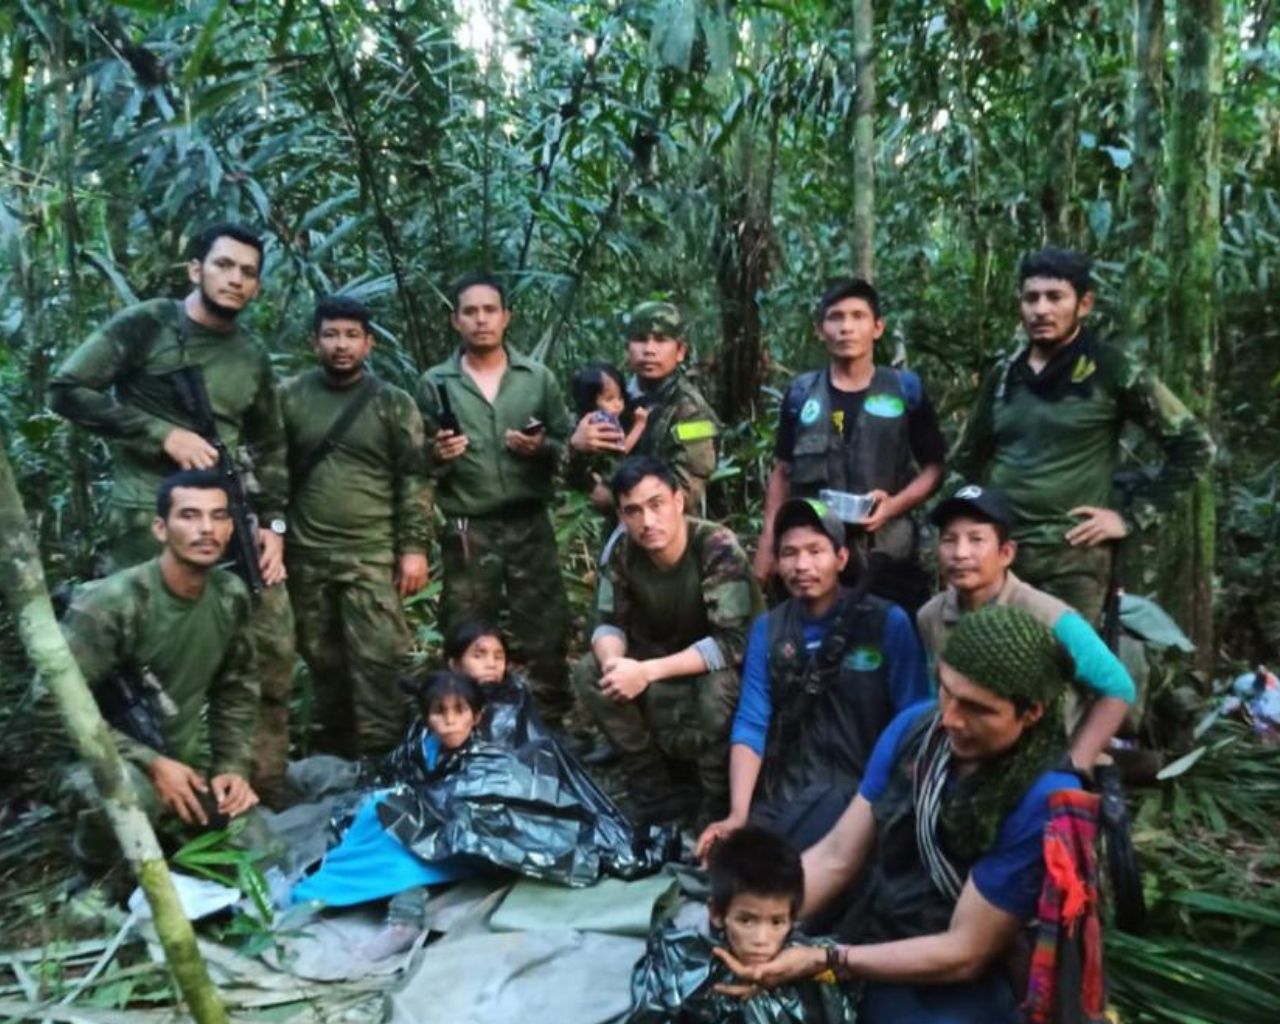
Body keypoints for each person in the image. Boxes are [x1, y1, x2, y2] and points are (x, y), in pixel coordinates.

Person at [715, 606, 1082, 1024]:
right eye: (946, 691)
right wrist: (750, 919)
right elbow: (837, 855)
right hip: (883, 927)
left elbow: (965, 952)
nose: (950, 718)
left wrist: (827, 959)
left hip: (963, 973)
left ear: (1031, 713)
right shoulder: (914, 730)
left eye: (976, 708)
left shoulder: (1044, 799)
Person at [49, 222, 297, 806]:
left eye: (248, 273)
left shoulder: (250, 356)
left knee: (268, 646)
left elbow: (271, 447)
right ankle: (143, 790)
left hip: (230, 518)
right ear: (195, 269)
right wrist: (161, 434)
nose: (235, 279)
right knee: (142, 661)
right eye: (224, 265)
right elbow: (68, 389)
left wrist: (274, 527)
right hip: (148, 519)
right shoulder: (149, 326)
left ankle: (252, 787)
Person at [951, 247, 1214, 624]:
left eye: (1055, 297)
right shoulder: (1004, 375)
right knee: (989, 654)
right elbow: (964, 462)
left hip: (1073, 560)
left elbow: (1195, 448)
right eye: (1031, 298)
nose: (1041, 309)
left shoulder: (1112, 369)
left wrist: (1130, 518)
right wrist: (964, 534)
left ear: (1084, 304)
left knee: (1066, 657)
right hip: (1001, 557)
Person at [697, 497, 930, 856]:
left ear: (841, 558)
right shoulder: (768, 629)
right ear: (777, 562)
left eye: (815, 551)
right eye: (789, 553)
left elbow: (914, 720)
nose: (802, 565)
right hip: (788, 793)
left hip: (864, 795)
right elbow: (752, 722)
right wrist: (738, 814)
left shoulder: (887, 622)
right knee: (732, 862)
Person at [59, 471, 260, 869]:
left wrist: (231, 768)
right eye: (189, 515)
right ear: (160, 528)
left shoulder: (230, 594)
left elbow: (237, 687)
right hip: (93, 758)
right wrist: (150, 763)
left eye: (218, 516)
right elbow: (52, 708)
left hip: (180, 761)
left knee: (261, 851)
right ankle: (96, 873)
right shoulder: (112, 604)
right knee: (131, 798)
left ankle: (170, 837)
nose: (206, 529)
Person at [415, 272, 575, 729]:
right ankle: (469, 723)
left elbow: (569, 444)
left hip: (529, 521)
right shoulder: (436, 383)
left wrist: (540, 448)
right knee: (466, 625)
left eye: (490, 310)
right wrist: (437, 453)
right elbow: (415, 457)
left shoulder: (536, 379)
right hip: (469, 526)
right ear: (456, 321)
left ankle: (548, 725)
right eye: (470, 312)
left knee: (545, 623)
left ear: (507, 317)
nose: (481, 320)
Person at [572, 456, 760, 826]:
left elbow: (732, 642)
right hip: (658, 657)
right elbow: (608, 624)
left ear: (678, 501)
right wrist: (614, 666)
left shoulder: (715, 546)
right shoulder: (623, 550)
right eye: (633, 511)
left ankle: (717, 800)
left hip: (717, 665)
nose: (647, 521)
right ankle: (654, 790)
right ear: (622, 516)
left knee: (719, 689)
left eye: (656, 504)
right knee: (590, 671)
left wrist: (646, 672)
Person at [280, 295, 430, 759]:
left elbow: (414, 477)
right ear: (315, 341)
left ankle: (387, 756)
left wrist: (414, 548)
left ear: (368, 344)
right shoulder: (289, 397)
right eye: (331, 335)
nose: (341, 345)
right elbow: (268, 470)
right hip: (306, 555)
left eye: (351, 335)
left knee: (382, 661)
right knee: (324, 661)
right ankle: (341, 756)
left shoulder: (392, 403)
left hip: (371, 554)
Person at [754, 278, 946, 613]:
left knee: (887, 636)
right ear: (820, 329)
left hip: (885, 556)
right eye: (836, 317)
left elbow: (934, 468)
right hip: (814, 558)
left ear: (878, 327)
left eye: (858, 316)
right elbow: (783, 471)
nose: (846, 327)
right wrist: (769, 540)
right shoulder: (801, 395)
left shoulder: (905, 390)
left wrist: (893, 505)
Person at [918, 484, 1136, 768]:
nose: (960, 553)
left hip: (1041, 761)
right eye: (949, 540)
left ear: (1006, 553)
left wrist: (1076, 764)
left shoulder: (1047, 616)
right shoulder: (931, 616)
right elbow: (937, 694)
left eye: (976, 539)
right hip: (968, 754)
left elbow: (1118, 688)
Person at [625, 825, 855, 1023]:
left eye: (777, 922)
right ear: (717, 914)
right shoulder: (686, 969)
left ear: (792, 920)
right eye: (746, 920)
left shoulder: (810, 963)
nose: (761, 940)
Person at [570, 301, 719, 510]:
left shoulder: (692, 413)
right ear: (627, 349)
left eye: (661, 340)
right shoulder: (608, 395)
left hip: (662, 526)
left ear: (680, 351)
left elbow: (685, 491)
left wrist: (615, 499)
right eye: (640, 339)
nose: (649, 350)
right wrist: (575, 447)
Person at [569, 361, 651, 512]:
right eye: (609, 399)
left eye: (620, 398)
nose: (618, 405)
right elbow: (622, 449)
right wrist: (640, 425)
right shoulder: (603, 422)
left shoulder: (584, 421)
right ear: (591, 401)